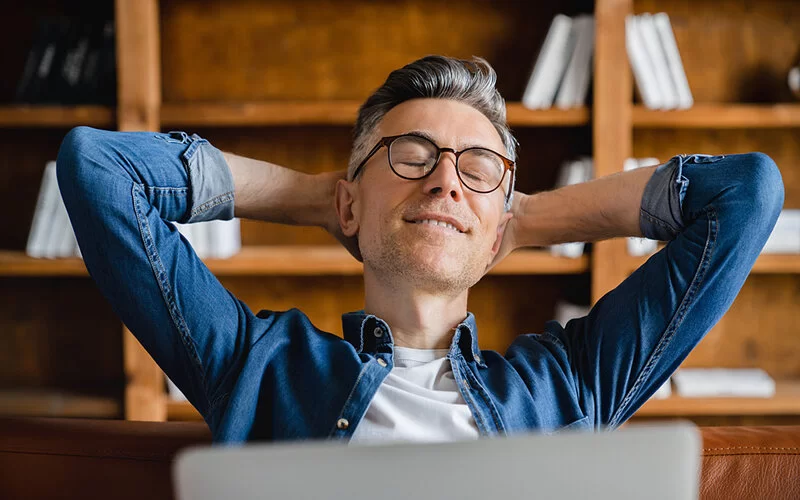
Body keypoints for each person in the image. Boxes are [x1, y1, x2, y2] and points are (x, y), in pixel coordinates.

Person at [56, 55, 783, 444]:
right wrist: (325, 198)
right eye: (412, 155)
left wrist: (520, 219)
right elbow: (99, 170)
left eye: (476, 167)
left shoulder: (572, 385)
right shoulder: (257, 366)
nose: (444, 181)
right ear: (348, 201)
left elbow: (746, 194)